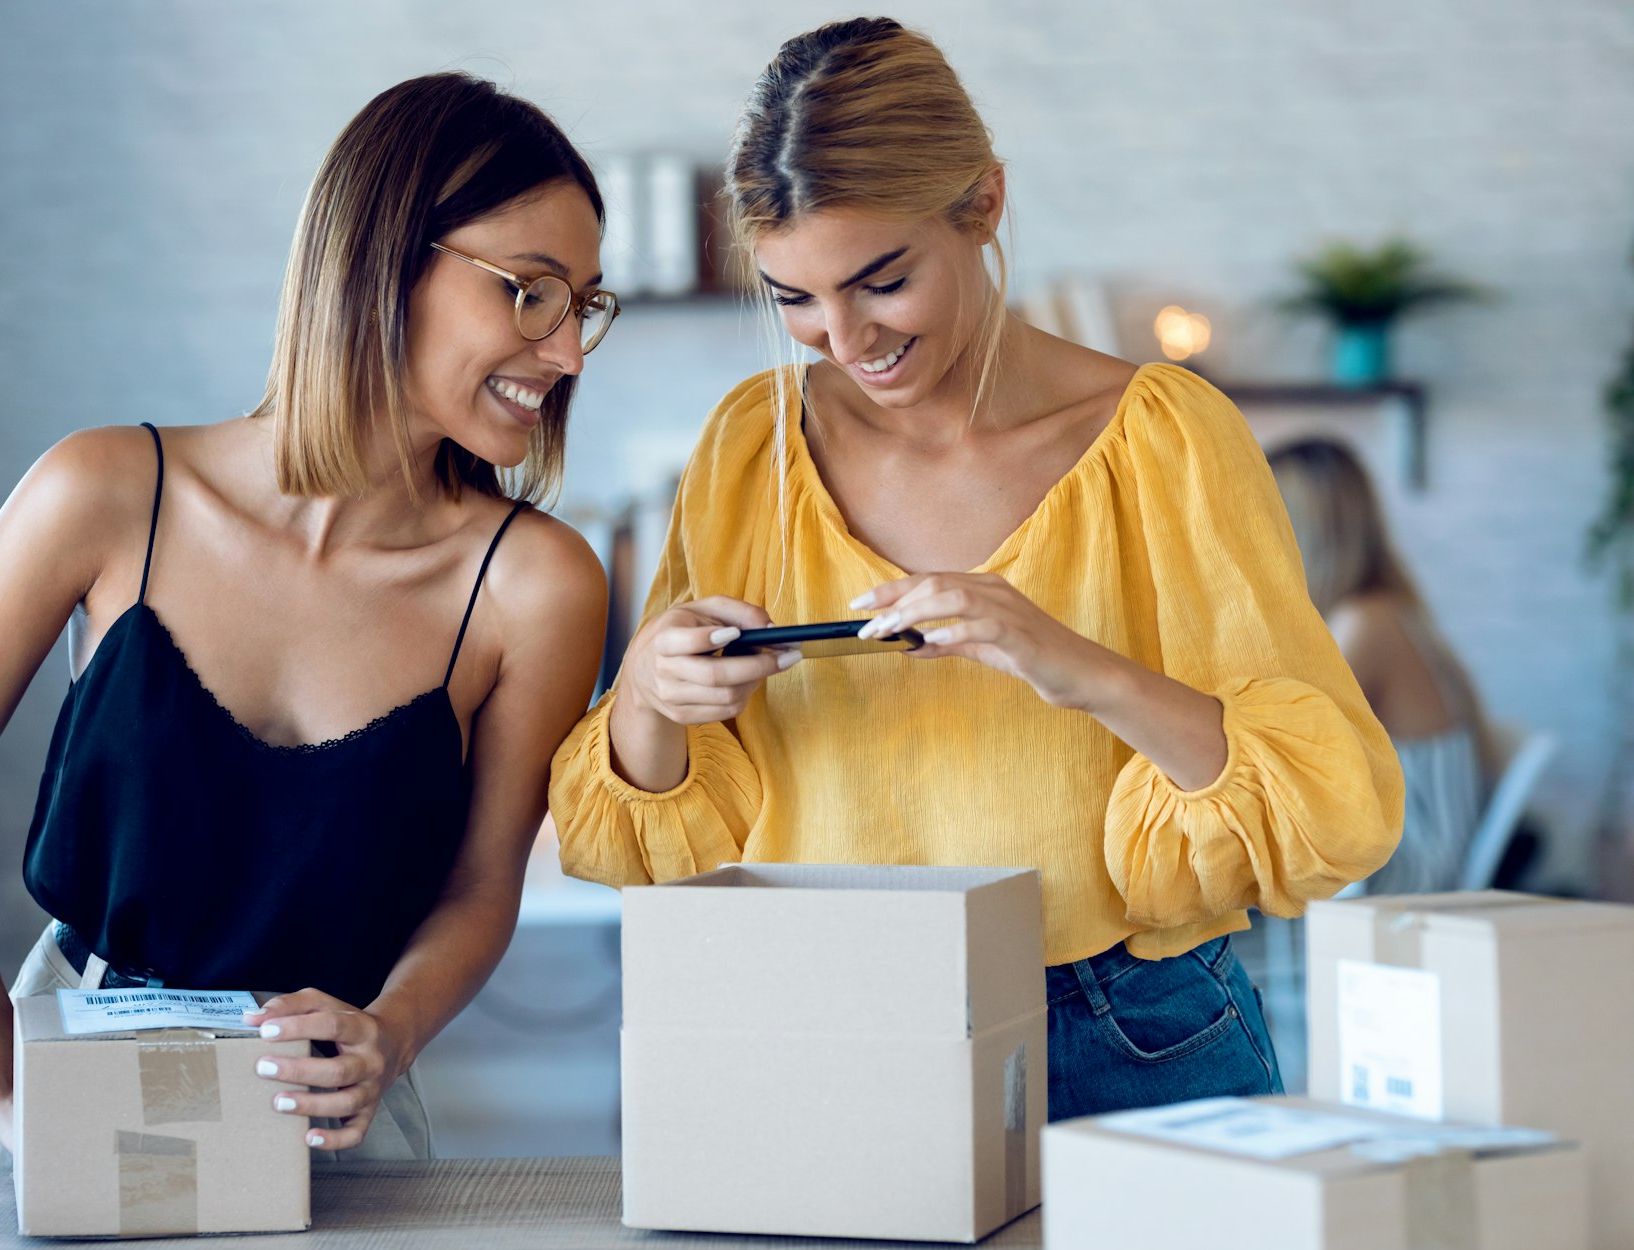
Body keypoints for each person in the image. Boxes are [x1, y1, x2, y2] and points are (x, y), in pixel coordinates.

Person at [549, 18, 1403, 1123]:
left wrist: (1070, 663)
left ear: (984, 204)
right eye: (793, 299)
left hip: (1126, 1031)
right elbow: (655, 827)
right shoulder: (746, 447)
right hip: (821, 1021)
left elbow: (1323, 802)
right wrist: (653, 697)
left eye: (880, 281)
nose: (842, 338)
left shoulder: (1166, 437)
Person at [0, 73, 611, 1165]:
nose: (567, 352)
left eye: (582, 305)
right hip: (70, 1073)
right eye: (529, 292)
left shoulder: (535, 583)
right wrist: (1, 1090)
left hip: (326, 1112)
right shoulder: (107, 490)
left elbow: (482, 883)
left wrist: (388, 1033)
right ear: (384, 255)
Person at [1268, 436, 1494, 895]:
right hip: (1412, 854)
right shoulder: (1384, 610)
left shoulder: (1363, 623)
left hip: (1409, 871)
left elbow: (1285, 743)